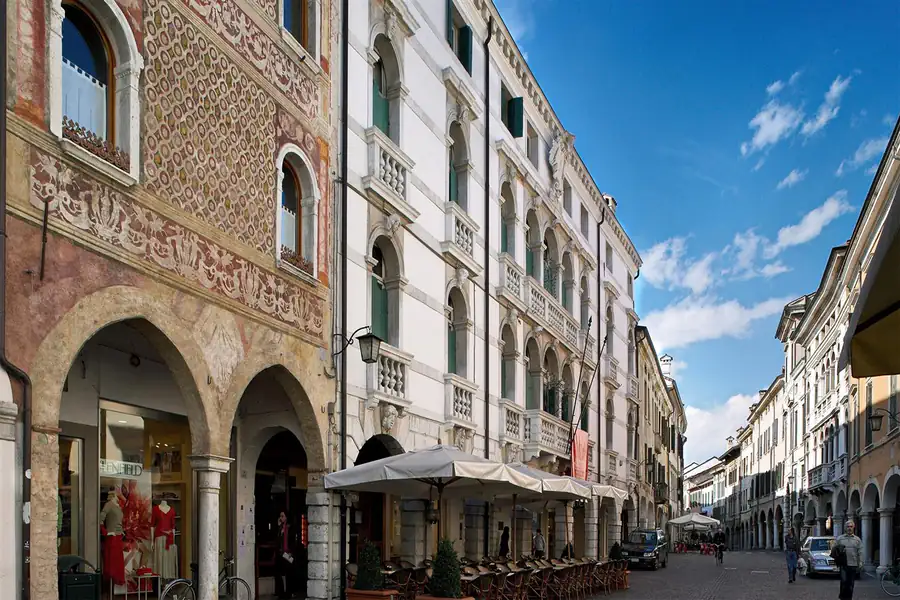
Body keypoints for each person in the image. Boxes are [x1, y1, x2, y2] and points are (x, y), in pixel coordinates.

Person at [834, 520, 863, 599]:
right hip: (843, 564)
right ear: (845, 528)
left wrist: (860, 562)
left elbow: (860, 552)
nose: (849, 528)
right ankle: (842, 597)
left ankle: (849, 598)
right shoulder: (840, 539)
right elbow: (834, 550)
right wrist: (837, 557)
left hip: (853, 564)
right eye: (848, 527)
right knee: (844, 582)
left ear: (853, 527)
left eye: (851, 526)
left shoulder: (857, 539)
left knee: (850, 584)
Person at [275, 511, 294, 600]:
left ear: (286, 517)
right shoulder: (280, 528)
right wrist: (279, 527)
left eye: (282, 516)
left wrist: (291, 552)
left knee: (289, 573)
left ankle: (289, 593)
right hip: (281, 553)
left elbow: (293, 540)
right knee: (278, 573)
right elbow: (277, 540)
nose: (281, 518)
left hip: (288, 553)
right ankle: (281, 593)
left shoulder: (290, 527)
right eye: (280, 516)